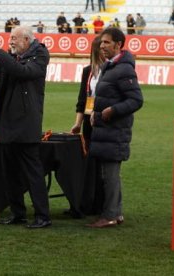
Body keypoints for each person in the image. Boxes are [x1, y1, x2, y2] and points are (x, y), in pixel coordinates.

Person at [0, 26, 51, 229]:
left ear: (26, 39)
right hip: (6, 125)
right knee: (10, 173)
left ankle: (43, 216)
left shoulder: (39, 55)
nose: (11, 41)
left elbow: (22, 72)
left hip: (25, 126)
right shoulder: (13, 58)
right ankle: (18, 213)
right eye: (10, 38)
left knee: (33, 174)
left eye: (14, 38)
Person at [86, 27, 143, 228]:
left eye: (106, 42)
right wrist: (96, 112)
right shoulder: (109, 67)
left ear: (118, 45)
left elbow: (136, 100)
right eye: (101, 42)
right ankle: (116, 213)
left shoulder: (124, 69)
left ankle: (109, 215)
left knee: (109, 175)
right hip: (105, 129)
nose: (102, 46)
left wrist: (113, 110)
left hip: (115, 131)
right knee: (109, 174)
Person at [70, 36, 105, 216]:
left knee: (103, 166)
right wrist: (78, 123)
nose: (103, 49)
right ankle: (89, 203)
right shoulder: (88, 71)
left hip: (105, 122)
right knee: (90, 165)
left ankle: (102, 205)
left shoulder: (112, 71)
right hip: (89, 124)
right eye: (101, 46)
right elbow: (82, 100)